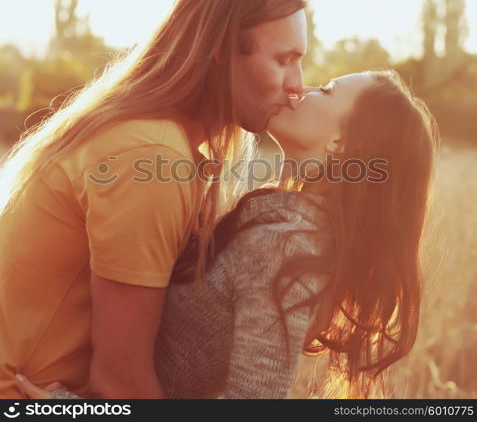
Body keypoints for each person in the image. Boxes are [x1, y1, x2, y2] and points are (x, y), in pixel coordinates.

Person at [17, 70, 439, 399]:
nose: (300, 88)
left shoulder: (287, 245)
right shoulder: (282, 221)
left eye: (326, 91)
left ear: (341, 143)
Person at [0, 0, 308, 398]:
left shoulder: (168, 147)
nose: (298, 85)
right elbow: (119, 382)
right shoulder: (149, 156)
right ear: (220, 50)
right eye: (284, 60)